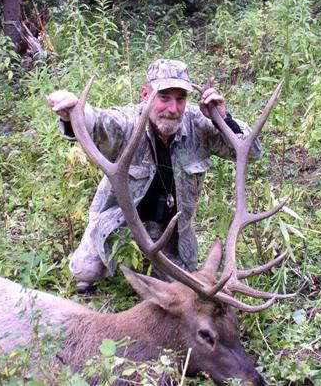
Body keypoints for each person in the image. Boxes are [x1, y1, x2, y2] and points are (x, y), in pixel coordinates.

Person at [46, 59, 261, 293]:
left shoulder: (199, 125)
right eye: (164, 97)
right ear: (145, 94)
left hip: (171, 234)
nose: (173, 108)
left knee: (183, 290)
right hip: (119, 224)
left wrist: (223, 120)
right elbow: (99, 123)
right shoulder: (128, 122)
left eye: (180, 99)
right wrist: (75, 112)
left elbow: (252, 152)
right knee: (85, 271)